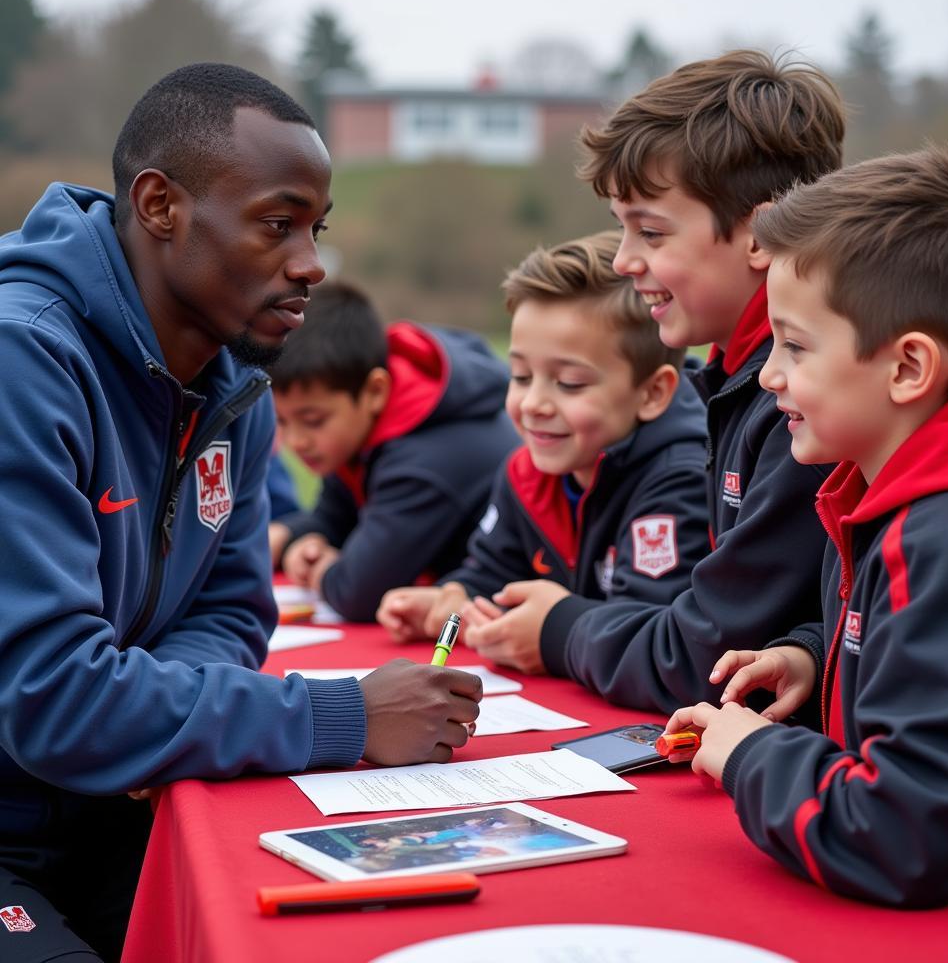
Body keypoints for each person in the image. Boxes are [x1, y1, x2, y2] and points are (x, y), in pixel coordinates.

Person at [0, 63, 481, 963]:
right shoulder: (23, 359)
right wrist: (345, 718)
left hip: (106, 804)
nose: (310, 263)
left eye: (315, 228)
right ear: (159, 205)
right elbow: (53, 697)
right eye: (277, 222)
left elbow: (227, 609)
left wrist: (150, 731)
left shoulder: (236, 381)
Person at [664, 146, 948, 954]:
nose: (768, 379)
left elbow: (914, 834)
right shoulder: (886, 491)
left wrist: (752, 756)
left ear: (908, 367)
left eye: (795, 348)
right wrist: (815, 655)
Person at [455, 51, 845, 708]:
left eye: (651, 232)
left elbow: (703, 659)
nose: (626, 260)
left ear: (761, 232)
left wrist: (561, 629)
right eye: (621, 228)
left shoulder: (799, 403)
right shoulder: (734, 383)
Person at [377, 231, 710, 662]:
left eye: (569, 383)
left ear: (651, 393)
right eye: (519, 376)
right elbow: (493, 573)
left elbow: (647, 635)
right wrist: (453, 596)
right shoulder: (527, 470)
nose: (533, 404)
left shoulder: (679, 478)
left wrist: (550, 637)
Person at [269, 280, 519, 620]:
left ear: (374, 391)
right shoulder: (361, 432)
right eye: (282, 421)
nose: (296, 441)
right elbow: (334, 517)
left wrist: (326, 571)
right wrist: (296, 538)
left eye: (312, 420)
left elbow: (359, 592)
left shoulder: (425, 461)